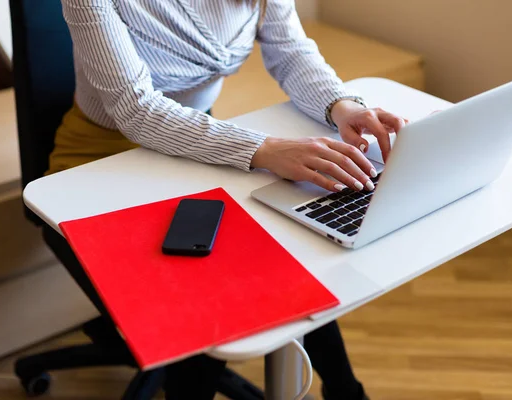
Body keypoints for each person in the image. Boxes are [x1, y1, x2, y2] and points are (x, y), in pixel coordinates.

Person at [49, 1, 408, 399]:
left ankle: (345, 392)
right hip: (100, 162)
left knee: (287, 262)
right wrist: (267, 150)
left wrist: (341, 107)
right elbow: (137, 110)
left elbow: (291, 53)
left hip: (197, 149)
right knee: (205, 314)